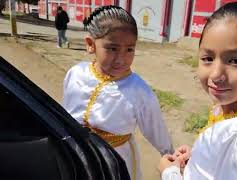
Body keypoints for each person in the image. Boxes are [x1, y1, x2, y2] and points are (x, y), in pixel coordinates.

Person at [158, 1, 237, 180]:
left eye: (236, 61)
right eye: (208, 58)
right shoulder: (234, 112)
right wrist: (197, 157)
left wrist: (170, 173)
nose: (216, 75)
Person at [62, 5, 174, 180]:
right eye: (112, 48)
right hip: (76, 151)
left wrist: (169, 153)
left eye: (130, 49)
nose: (121, 59)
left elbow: (155, 127)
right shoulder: (75, 74)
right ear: (91, 45)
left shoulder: (138, 90)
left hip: (116, 159)